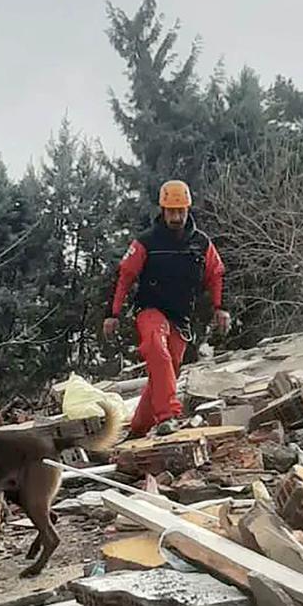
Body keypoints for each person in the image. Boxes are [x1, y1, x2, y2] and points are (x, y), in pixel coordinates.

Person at [104, 180, 230, 437]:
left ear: (188, 209)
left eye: (181, 211)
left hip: (180, 317)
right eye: (171, 211)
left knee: (165, 375)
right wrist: (113, 314)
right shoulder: (146, 242)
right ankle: (169, 415)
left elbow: (215, 273)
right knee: (155, 348)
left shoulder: (201, 243)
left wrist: (220, 308)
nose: (176, 216)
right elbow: (125, 276)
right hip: (150, 309)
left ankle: (138, 428)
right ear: (162, 210)